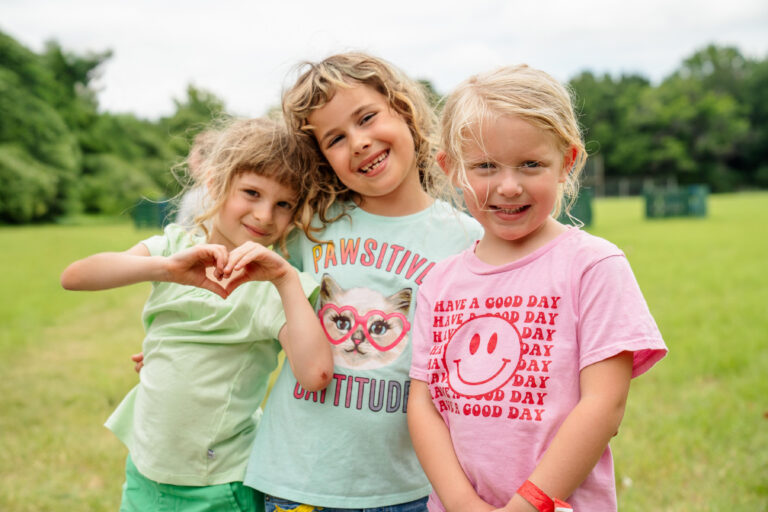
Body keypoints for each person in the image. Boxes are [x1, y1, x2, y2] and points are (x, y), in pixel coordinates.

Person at [406, 64, 668, 512]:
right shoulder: (439, 281)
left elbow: (604, 404)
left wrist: (528, 505)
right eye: (485, 166)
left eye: (531, 164)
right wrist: (462, 504)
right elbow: (423, 407)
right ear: (452, 169)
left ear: (567, 161)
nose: (508, 186)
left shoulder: (592, 266)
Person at [242, 53, 484, 512]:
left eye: (367, 118)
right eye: (335, 138)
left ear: (405, 110)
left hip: (409, 485)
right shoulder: (309, 225)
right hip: (301, 479)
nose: (358, 142)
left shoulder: (467, 239)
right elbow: (241, 275)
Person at [60, 118, 334, 512]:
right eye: (252, 193)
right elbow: (76, 277)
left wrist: (287, 281)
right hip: (144, 473)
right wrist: (165, 268)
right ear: (216, 183)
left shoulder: (273, 284)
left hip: (220, 485)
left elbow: (315, 374)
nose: (263, 214)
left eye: (283, 204)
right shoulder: (173, 246)